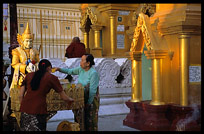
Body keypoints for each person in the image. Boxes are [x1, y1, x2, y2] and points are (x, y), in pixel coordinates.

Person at [19, 59, 74, 131]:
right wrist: (71, 99)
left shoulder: (28, 76)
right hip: (39, 109)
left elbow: (20, 95)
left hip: (25, 109)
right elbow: (64, 97)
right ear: (48, 68)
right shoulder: (51, 78)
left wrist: (23, 106)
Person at [55, 54, 100, 131]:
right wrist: (59, 69)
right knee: (80, 119)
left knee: (90, 120)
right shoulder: (80, 69)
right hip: (81, 97)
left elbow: (92, 91)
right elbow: (70, 71)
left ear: (88, 63)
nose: (80, 62)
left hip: (91, 99)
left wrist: (88, 102)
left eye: (82, 60)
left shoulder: (93, 73)